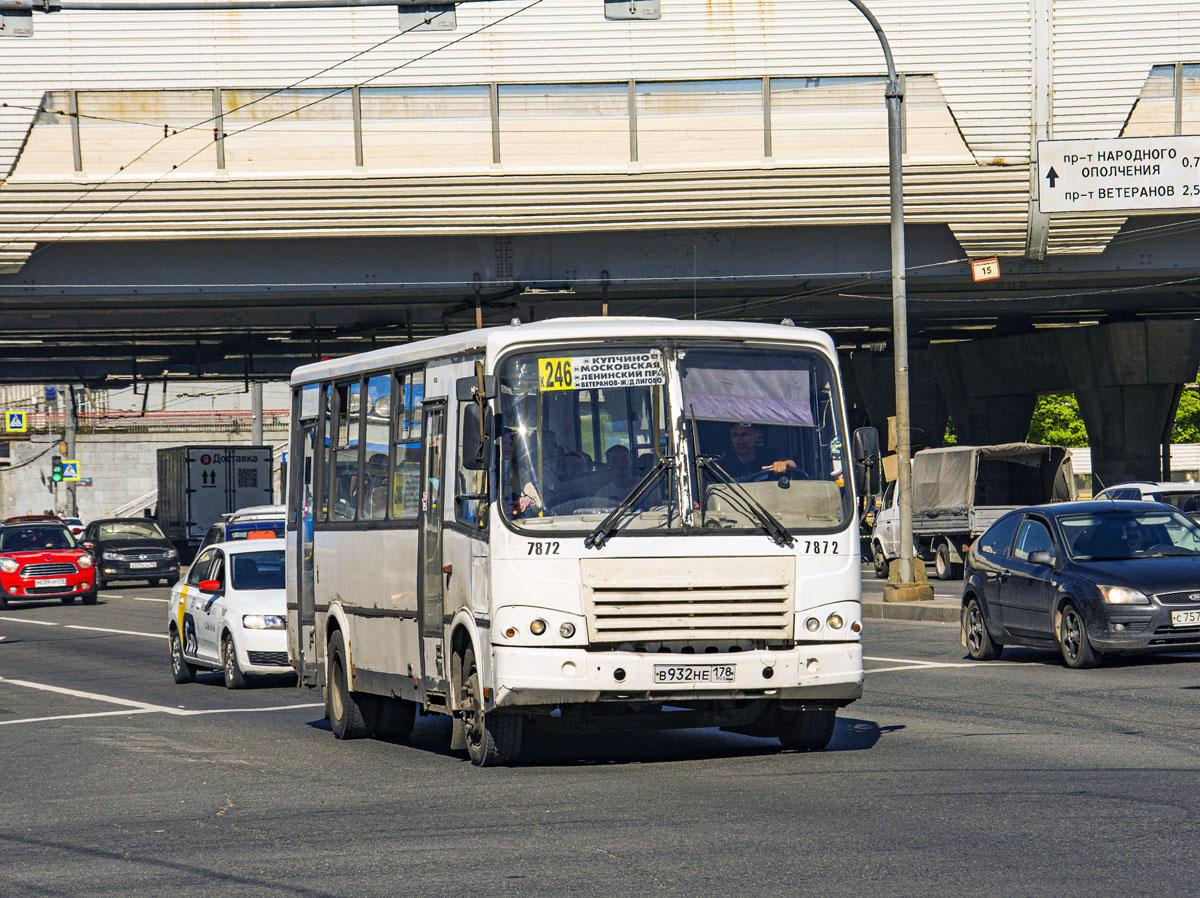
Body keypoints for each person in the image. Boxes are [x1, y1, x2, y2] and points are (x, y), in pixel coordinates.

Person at [720, 422, 800, 480]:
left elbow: (792, 464)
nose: (740, 441)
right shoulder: (724, 465)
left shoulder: (770, 455)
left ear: (756, 436)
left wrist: (783, 464)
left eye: (745, 434)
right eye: (735, 436)